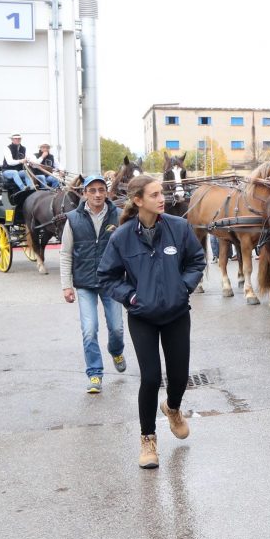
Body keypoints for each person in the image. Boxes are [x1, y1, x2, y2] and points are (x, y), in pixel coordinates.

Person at [98, 174, 205, 469]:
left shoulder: (179, 228)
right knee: (150, 378)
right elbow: (106, 277)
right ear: (138, 200)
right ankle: (148, 440)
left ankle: (172, 408)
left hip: (176, 314)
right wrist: (131, 298)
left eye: (162, 194)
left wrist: (183, 287)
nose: (163, 199)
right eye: (155, 194)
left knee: (180, 376)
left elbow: (197, 261)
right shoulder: (121, 237)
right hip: (142, 316)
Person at [62, 175, 127, 394]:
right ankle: (95, 374)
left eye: (101, 190)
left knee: (117, 328)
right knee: (89, 330)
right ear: (85, 193)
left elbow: (128, 251)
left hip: (112, 282)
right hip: (84, 283)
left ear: (107, 192)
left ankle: (116, 350)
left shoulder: (118, 216)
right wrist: (66, 285)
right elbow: (65, 254)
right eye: (93, 190)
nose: (98, 194)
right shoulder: (73, 218)